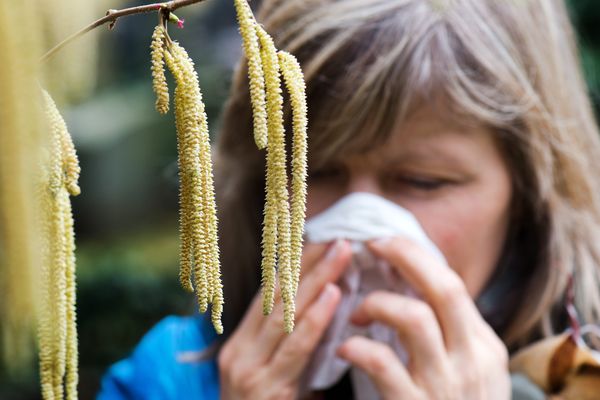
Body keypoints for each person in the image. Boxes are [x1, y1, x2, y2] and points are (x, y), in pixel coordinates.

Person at [98, 0, 600, 398]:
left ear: (530, 194)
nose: (357, 229)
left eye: (423, 181)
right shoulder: (169, 377)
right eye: (314, 172)